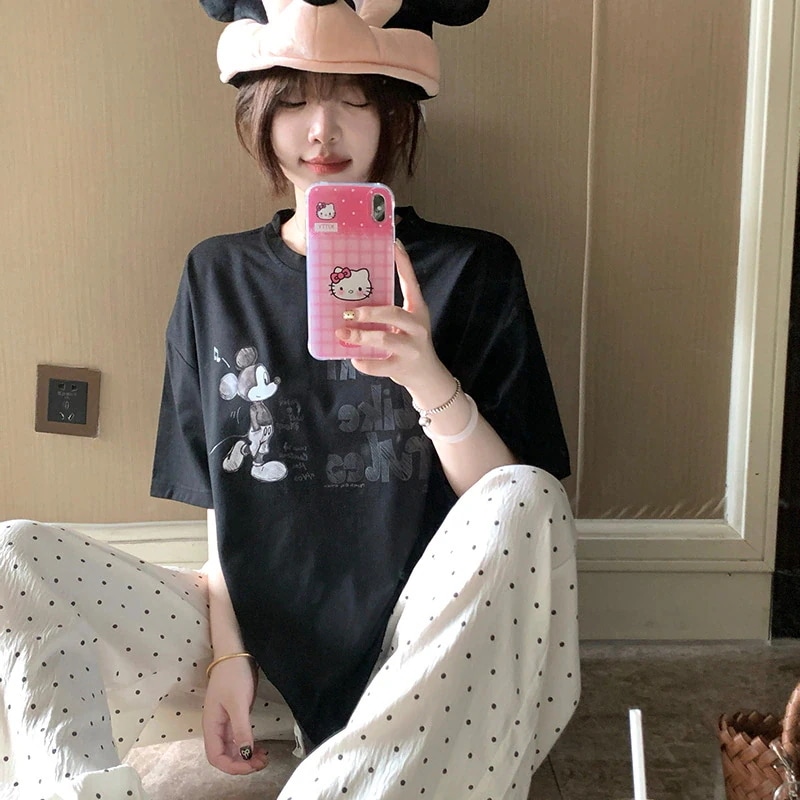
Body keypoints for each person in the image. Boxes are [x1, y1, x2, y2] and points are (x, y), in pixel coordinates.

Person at [0, 1, 580, 798]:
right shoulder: (216, 276)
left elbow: (508, 511)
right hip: (255, 646)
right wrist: (228, 657)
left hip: (422, 654)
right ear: (259, 114)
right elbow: (225, 503)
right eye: (296, 100)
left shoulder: (471, 268)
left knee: (530, 494)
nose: (322, 131)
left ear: (393, 113)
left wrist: (427, 378)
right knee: (16, 556)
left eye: (353, 99)